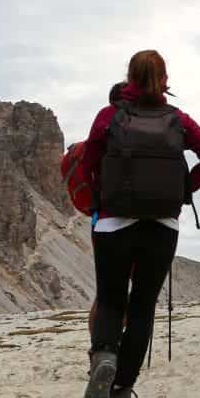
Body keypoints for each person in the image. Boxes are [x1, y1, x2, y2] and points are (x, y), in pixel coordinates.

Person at [81, 50, 200, 398]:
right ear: (165, 78)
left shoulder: (109, 116)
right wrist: (183, 189)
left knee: (111, 300)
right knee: (143, 305)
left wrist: (108, 191)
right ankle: (120, 397)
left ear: (128, 75)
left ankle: (104, 355)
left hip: (114, 223)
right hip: (162, 225)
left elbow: (88, 163)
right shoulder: (178, 120)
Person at [86, 82, 127, 353]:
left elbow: (89, 161)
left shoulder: (104, 118)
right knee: (132, 291)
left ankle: (99, 349)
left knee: (107, 290)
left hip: (105, 218)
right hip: (148, 218)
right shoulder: (158, 121)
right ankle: (119, 345)